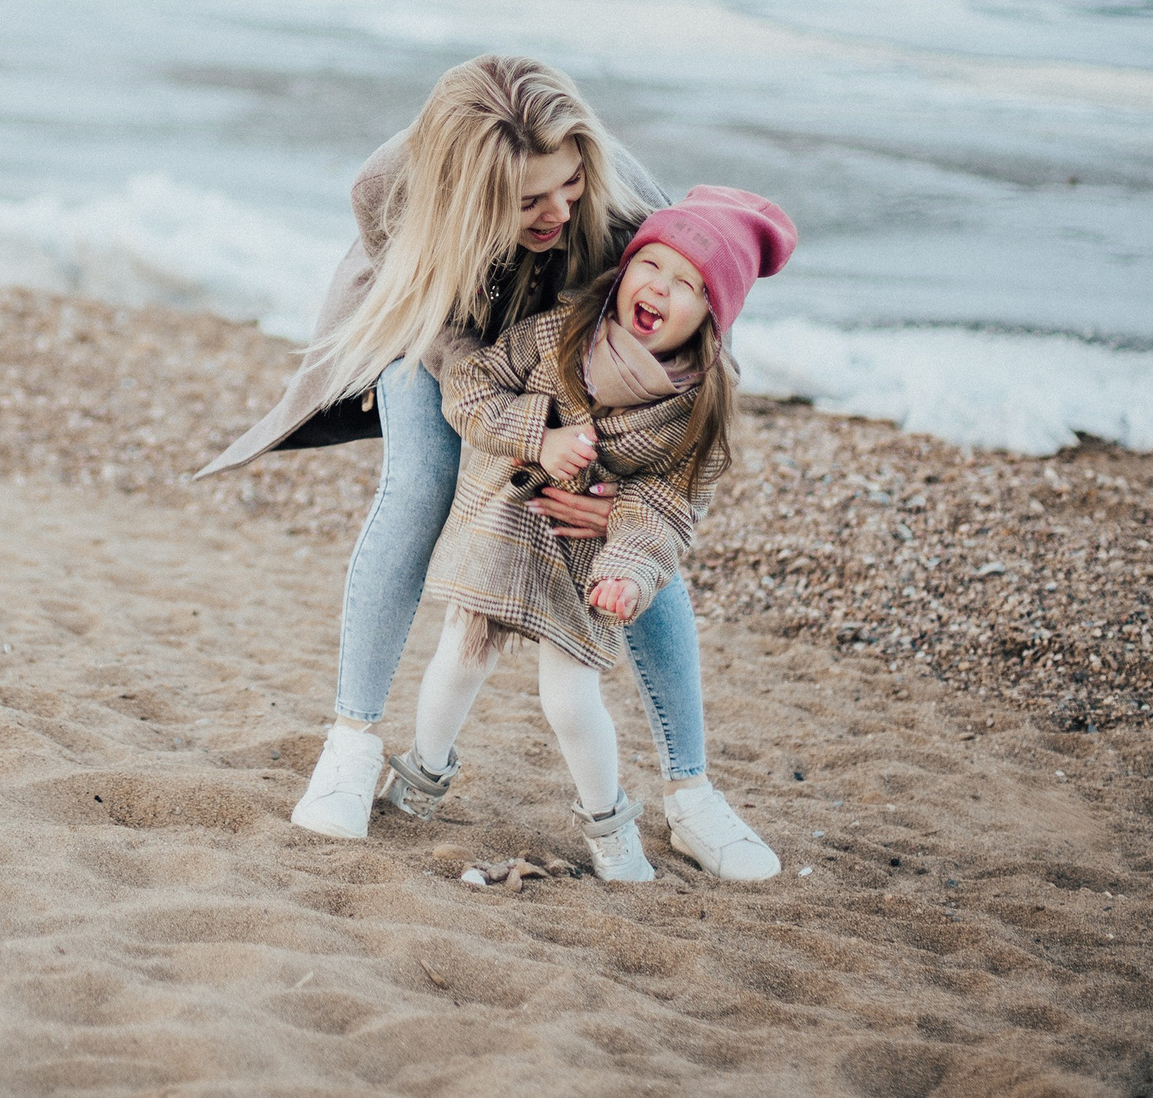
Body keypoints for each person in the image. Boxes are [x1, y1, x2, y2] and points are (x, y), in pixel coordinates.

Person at [197, 55, 777, 879]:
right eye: (529, 198)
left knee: (629, 535)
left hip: (568, 339)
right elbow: (443, 339)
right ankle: (352, 742)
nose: (558, 208)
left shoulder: (615, 205)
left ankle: (691, 793)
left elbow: (696, 386)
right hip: (439, 325)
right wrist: (521, 433)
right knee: (419, 487)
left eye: (567, 183)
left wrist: (632, 520)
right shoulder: (388, 190)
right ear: (469, 193)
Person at [378, 186, 795, 882]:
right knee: (459, 657)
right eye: (654, 265)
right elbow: (473, 384)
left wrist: (629, 568)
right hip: (510, 527)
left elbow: (669, 504)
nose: (662, 288)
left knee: (570, 700)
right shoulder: (565, 328)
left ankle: (610, 828)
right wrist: (539, 436)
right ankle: (423, 774)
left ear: (712, 319)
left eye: (690, 285)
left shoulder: (696, 409)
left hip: (586, 566)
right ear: (627, 265)